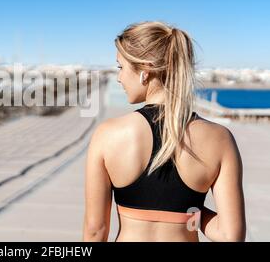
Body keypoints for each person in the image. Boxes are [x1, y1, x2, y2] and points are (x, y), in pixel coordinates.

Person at [83, 21, 246, 242]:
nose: (119, 78)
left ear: (145, 71)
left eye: (121, 67)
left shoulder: (108, 135)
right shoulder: (220, 139)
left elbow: (95, 231)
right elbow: (230, 236)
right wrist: (191, 210)